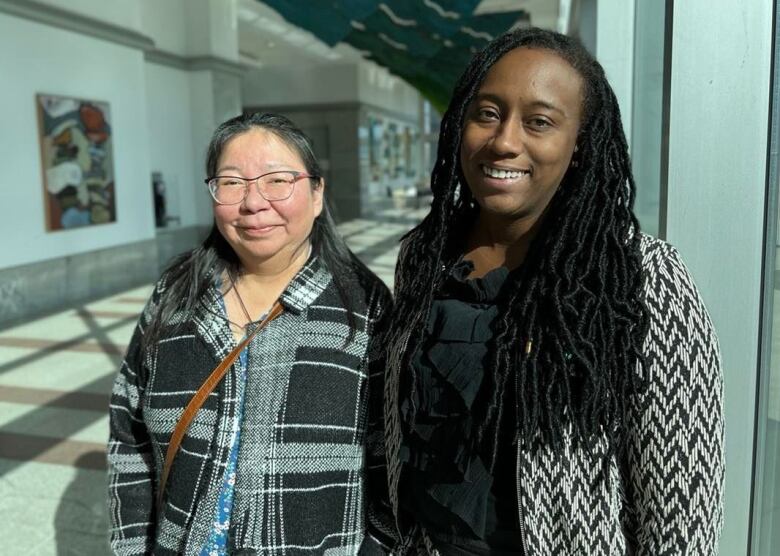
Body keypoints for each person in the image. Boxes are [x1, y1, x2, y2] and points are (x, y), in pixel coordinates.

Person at [364, 27, 724, 555]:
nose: (505, 140)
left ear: (578, 146)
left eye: (539, 122)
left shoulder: (639, 277)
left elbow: (681, 513)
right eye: (487, 113)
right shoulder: (426, 258)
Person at [108, 113, 391, 555]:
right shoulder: (175, 296)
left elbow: (390, 459)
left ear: (317, 194)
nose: (253, 202)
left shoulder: (364, 309)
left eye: (278, 181)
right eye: (232, 182)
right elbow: (129, 436)